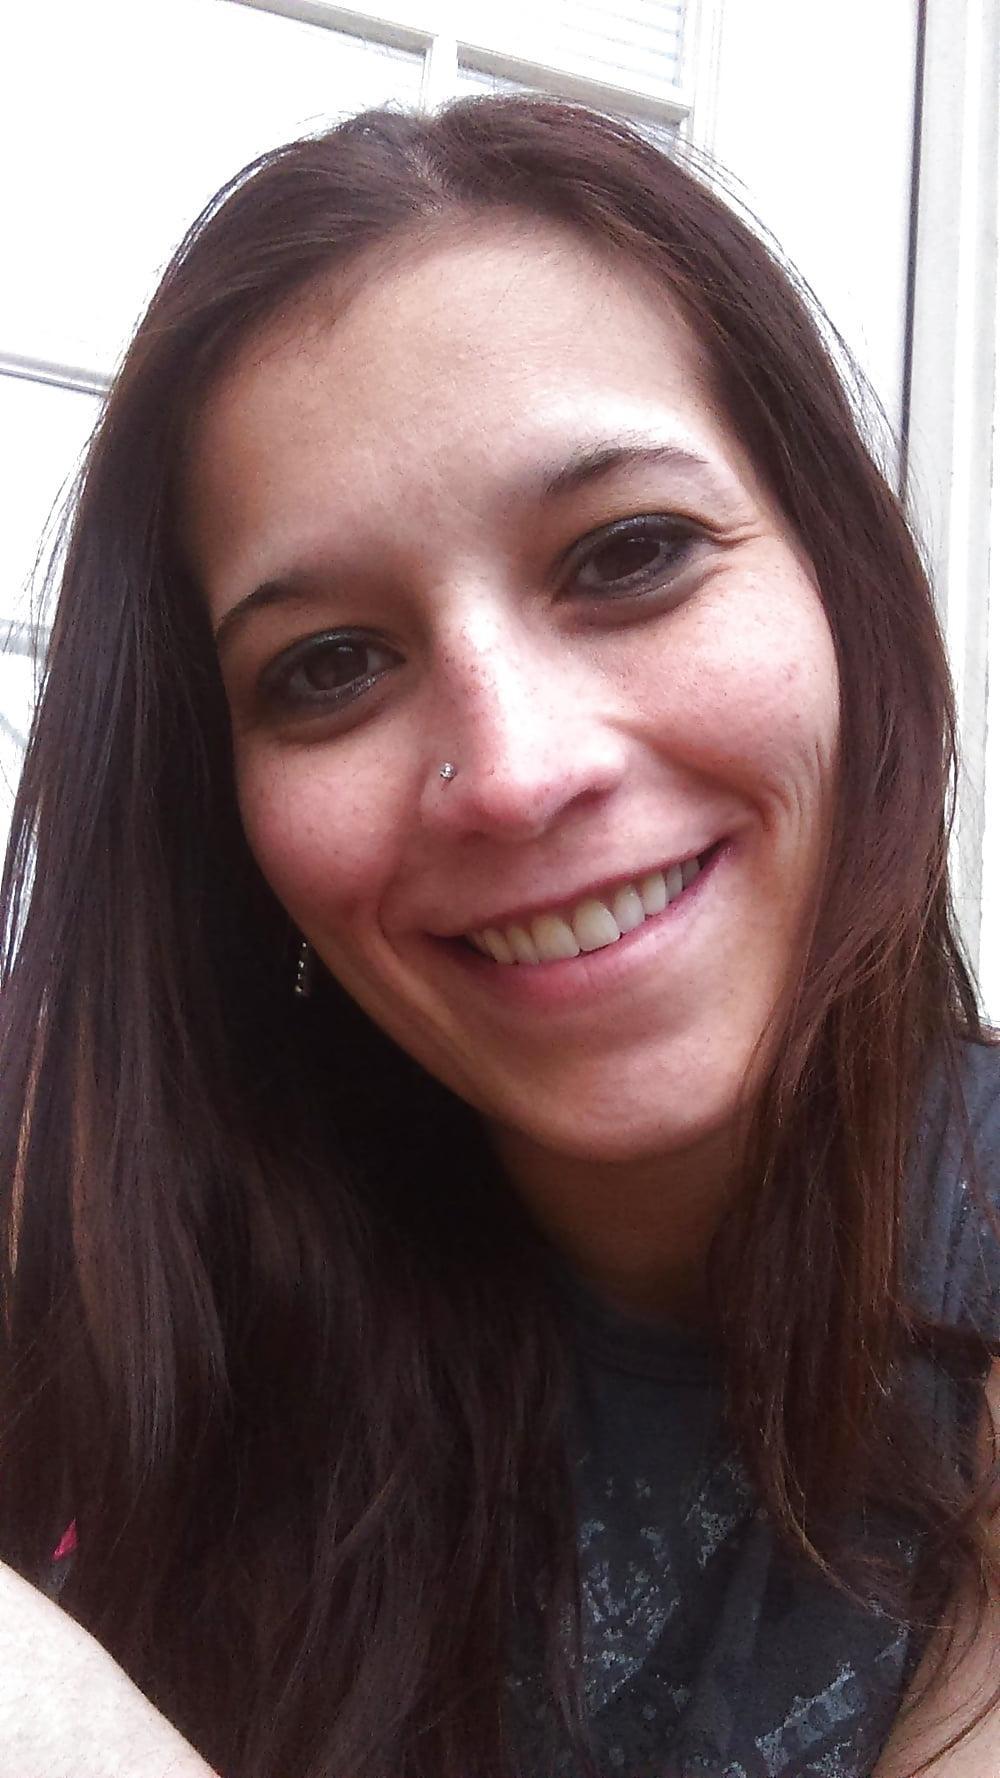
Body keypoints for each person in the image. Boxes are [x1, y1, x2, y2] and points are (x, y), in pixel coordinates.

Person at [0, 94, 998, 1778]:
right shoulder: (128, 1249)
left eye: (630, 554)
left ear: (843, 585)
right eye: (329, 664)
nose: (518, 773)